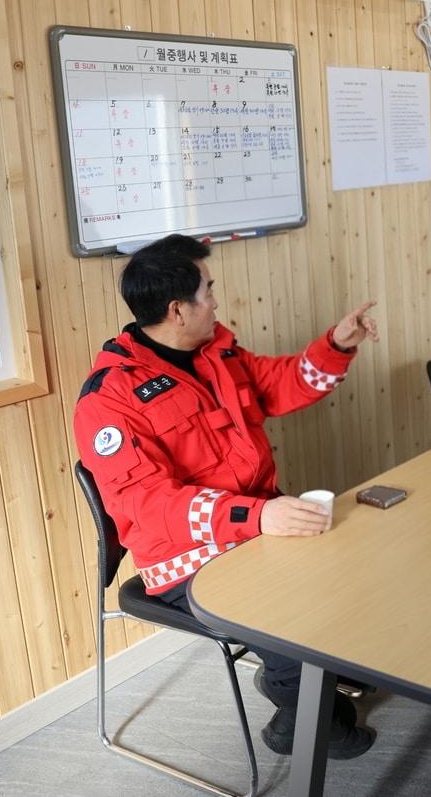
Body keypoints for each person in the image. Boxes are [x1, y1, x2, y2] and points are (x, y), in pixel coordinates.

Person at [73, 233, 380, 758]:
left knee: (359, 570)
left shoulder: (215, 352)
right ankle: (304, 714)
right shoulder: (109, 398)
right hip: (185, 558)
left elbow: (280, 384)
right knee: (295, 626)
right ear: (177, 309)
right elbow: (151, 505)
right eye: (208, 290)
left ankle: (316, 686)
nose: (216, 300)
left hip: (255, 523)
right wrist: (259, 517)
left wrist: (338, 344)